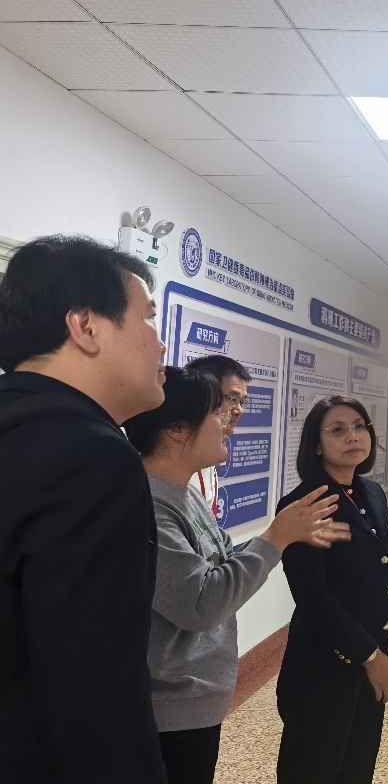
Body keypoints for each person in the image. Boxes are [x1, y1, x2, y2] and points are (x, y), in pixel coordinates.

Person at [124, 366, 351, 784]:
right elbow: (200, 604)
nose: (230, 420)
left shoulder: (184, 492)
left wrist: (281, 537)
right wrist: (275, 538)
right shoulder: (149, 506)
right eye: (218, 411)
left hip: (194, 703)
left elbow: (220, 564)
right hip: (167, 712)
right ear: (176, 429)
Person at [0, 235, 169, 782]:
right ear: (86, 326)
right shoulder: (92, 460)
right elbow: (94, 688)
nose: (161, 345)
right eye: (148, 320)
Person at [274, 395, 388, 784]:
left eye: (359, 426)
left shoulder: (371, 493)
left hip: (370, 660)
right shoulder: (304, 505)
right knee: (314, 770)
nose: (352, 436)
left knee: (357, 767)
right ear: (317, 445)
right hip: (324, 666)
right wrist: (371, 657)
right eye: (337, 430)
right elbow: (313, 596)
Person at [184, 354, 252, 518]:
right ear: (203, 396)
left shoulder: (210, 454)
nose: (239, 410)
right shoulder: (174, 464)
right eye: (232, 399)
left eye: (242, 402)